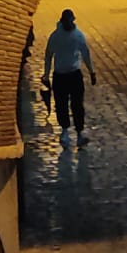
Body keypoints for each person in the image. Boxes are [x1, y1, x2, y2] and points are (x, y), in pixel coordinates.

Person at [43, 8, 96, 150]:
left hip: (66, 75)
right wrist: (92, 72)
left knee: (72, 105)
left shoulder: (57, 36)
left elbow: (49, 56)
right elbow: (49, 56)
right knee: (67, 105)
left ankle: (73, 133)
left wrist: (92, 71)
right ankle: (69, 132)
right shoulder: (76, 35)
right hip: (68, 75)